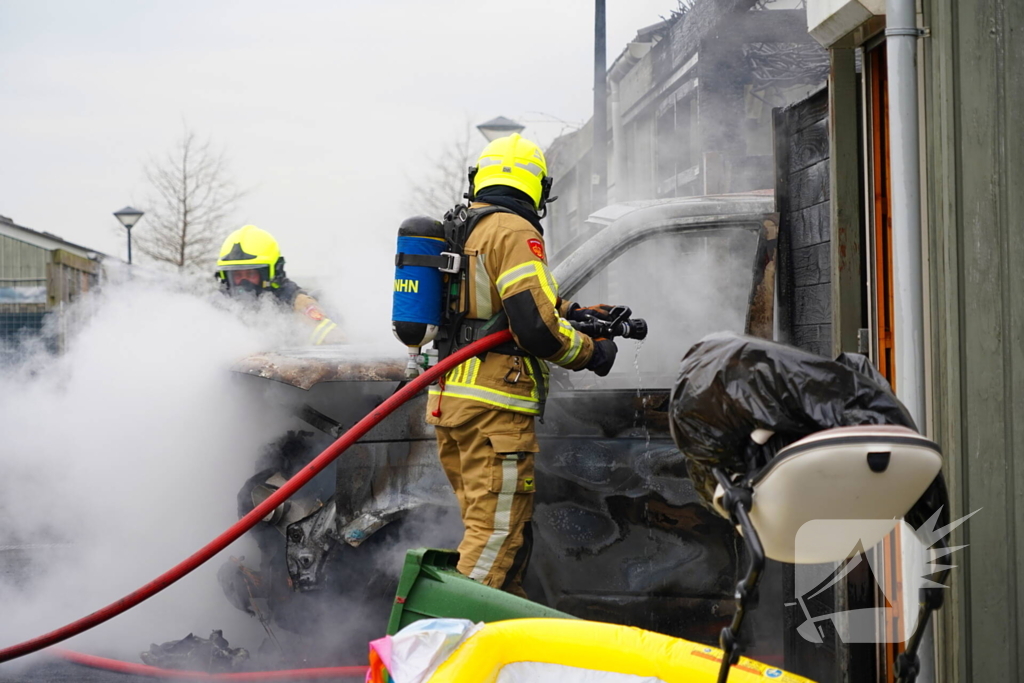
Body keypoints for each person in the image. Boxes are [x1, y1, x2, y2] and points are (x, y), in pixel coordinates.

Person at [426, 133, 618, 596]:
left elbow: (508, 303)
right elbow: (535, 329)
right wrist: (593, 353)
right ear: (538, 187)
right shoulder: (514, 230)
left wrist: (577, 314)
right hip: (495, 412)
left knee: (492, 535)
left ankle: (503, 650)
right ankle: (451, 646)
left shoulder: (467, 227)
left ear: (480, 178)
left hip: (454, 403)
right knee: (493, 542)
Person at [215, 224, 344, 345]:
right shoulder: (217, 306)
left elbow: (335, 345)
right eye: (237, 275)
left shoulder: (297, 304)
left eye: (250, 274)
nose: (243, 283)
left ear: (272, 272)